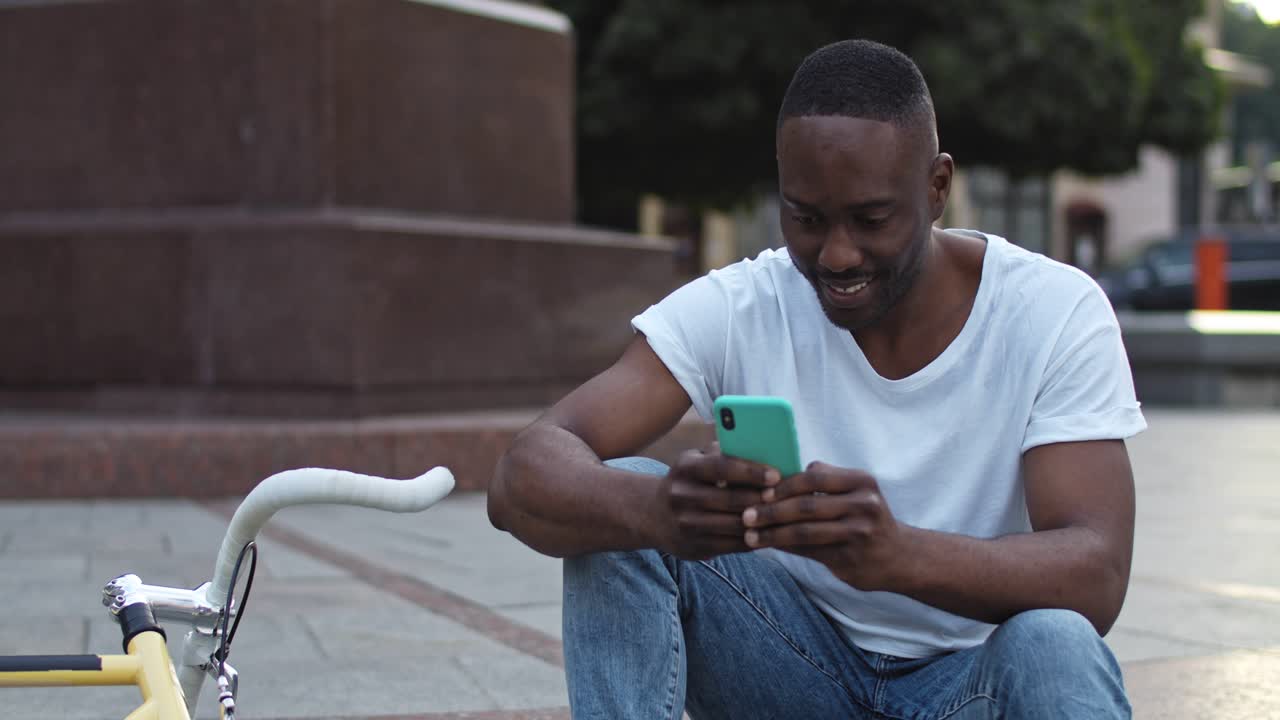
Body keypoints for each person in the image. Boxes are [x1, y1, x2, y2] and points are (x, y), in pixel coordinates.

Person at [488, 38, 1145, 719]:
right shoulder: (746, 303)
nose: (836, 254)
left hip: (965, 692)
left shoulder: (1052, 311)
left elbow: (1096, 574)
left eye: (871, 219)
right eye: (806, 218)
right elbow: (520, 479)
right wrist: (658, 513)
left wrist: (897, 555)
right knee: (618, 511)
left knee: (1056, 642)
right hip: (788, 672)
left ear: (937, 186)